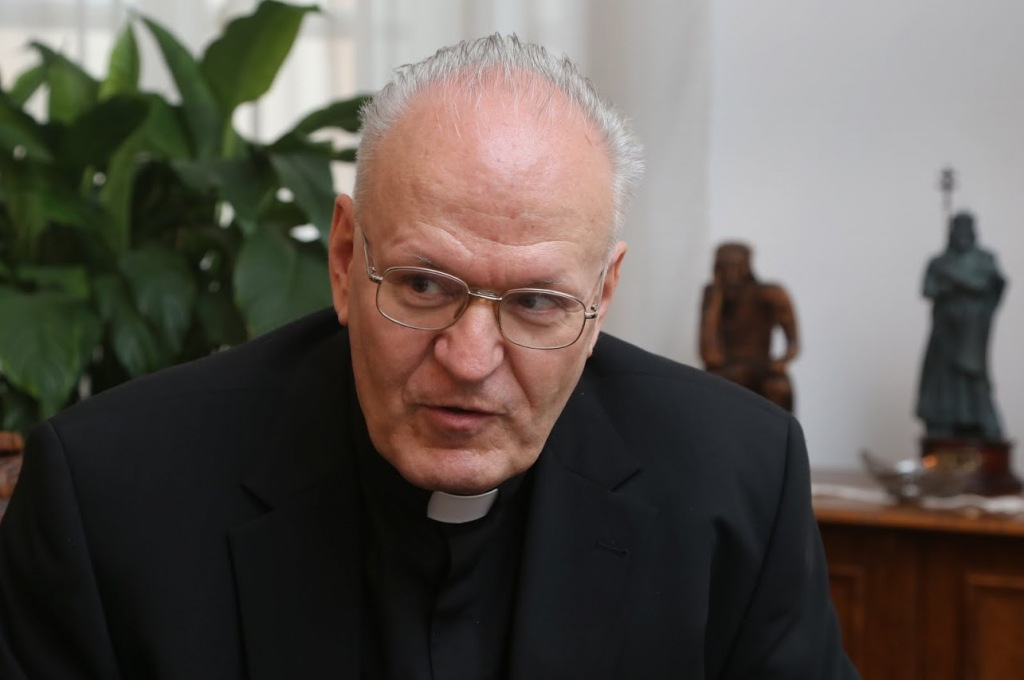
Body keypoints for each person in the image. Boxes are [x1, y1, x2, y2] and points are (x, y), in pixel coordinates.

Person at [0, 34, 858, 679]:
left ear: (603, 296)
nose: (470, 359)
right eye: (422, 285)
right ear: (345, 259)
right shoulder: (109, 496)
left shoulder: (735, 480)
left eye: (536, 302)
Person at [917, 211, 1006, 441]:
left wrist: (953, 277)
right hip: (945, 331)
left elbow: (985, 286)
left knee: (971, 373)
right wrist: (945, 286)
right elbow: (928, 290)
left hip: (972, 331)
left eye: (966, 230)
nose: (961, 235)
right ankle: (943, 422)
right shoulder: (939, 261)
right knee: (942, 378)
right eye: (957, 230)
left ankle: (979, 421)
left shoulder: (984, 259)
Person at [699, 242, 800, 411]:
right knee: (712, 385)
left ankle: (777, 429)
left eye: (733, 266)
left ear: (746, 266)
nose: (728, 273)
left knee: (778, 387)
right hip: (727, 370)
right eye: (721, 267)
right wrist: (715, 301)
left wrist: (780, 362)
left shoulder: (769, 293)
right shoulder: (712, 295)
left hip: (761, 367)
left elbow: (793, 345)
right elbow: (709, 356)